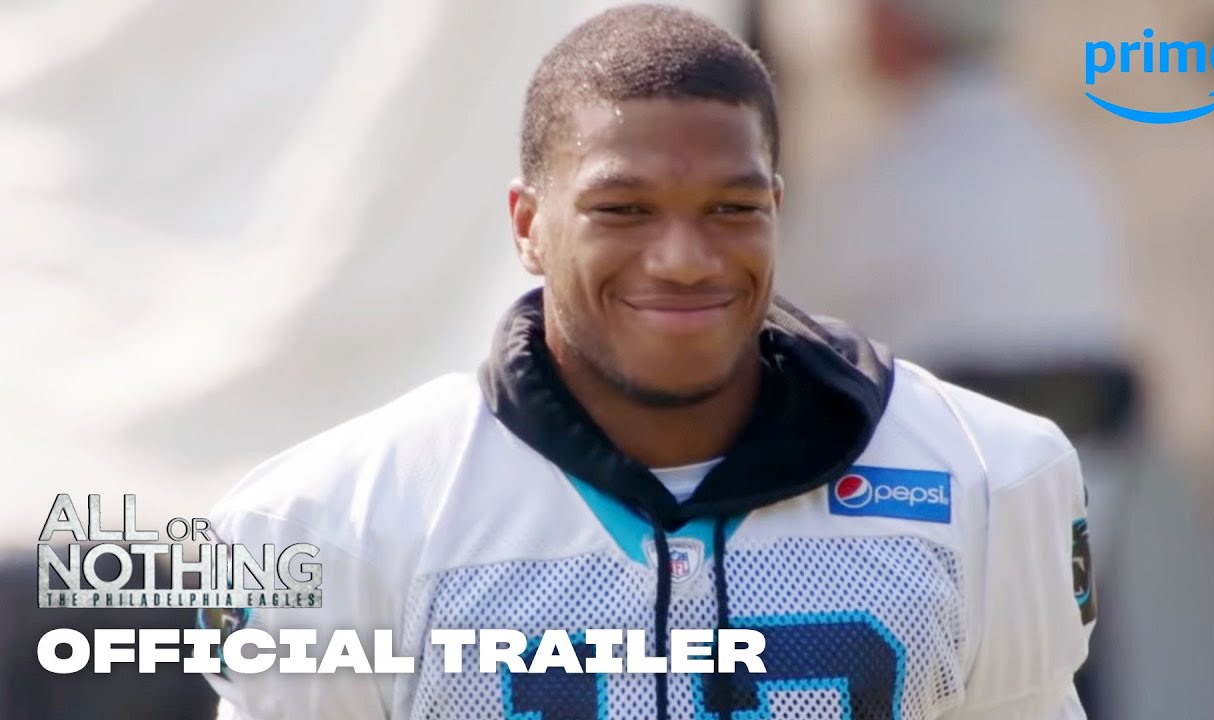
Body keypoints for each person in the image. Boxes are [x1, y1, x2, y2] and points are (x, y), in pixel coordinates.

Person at [203, 5, 1094, 719]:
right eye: (623, 211)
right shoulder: (335, 520)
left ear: (776, 209)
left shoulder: (987, 480)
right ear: (529, 225)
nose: (684, 260)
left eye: (731, 209)